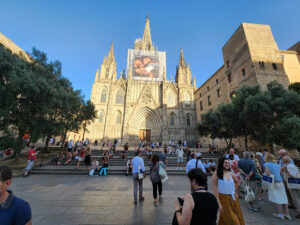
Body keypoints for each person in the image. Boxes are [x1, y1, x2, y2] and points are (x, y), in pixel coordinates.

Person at [212, 158, 245, 225]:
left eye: (228, 163)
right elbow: (214, 189)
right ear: (221, 163)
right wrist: (218, 203)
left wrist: (232, 190)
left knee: (227, 218)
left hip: (233, 198)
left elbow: (237, 182)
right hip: (223, 199)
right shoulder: (216, 173)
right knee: (233, 221)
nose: (227, 164)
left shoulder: (230, 173)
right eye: (225, 163)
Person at [264, 153, 291, 220]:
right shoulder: (277, 165)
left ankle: (280, 214)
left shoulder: (267, 164)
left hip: (274, 183)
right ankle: (287, 214)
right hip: (280, 182)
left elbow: (267, 173)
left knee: (278, 199)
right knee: (284, 198)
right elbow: (281, 173)